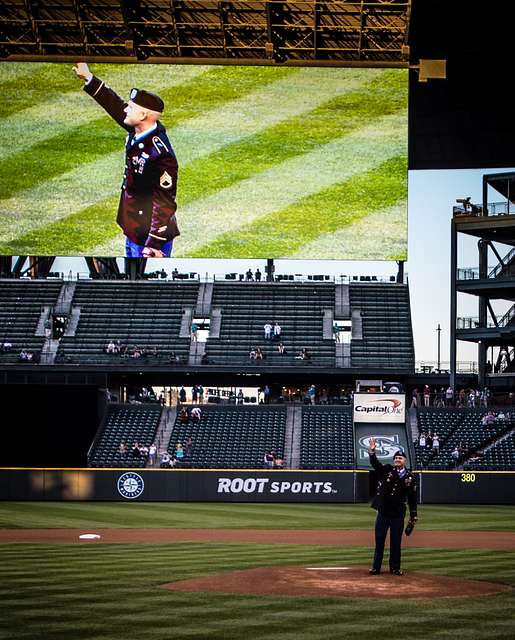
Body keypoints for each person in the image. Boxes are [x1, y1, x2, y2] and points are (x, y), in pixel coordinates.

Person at [73, 62, 179, 257]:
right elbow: (115, 106)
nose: (126, 110)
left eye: (131, 107)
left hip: (148, 239)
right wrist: (89, 78)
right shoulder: (140, 129)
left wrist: (154, 245)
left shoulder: (161, 155)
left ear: (143, 114)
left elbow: (165, 203)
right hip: (134, 230)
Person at [368, 438, 418, 576]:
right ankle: (376, 567)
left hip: (397, 514)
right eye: (396, 457)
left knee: (396, 542)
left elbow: (412, 498)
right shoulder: (387, 470)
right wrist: (372, 451)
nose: (397, 459)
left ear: (405, 461)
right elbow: (375, 464)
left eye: (400, 458)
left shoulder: (410, 477)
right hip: (383, 512)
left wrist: (413, 514)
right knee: (379, 541)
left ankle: (395, 568)